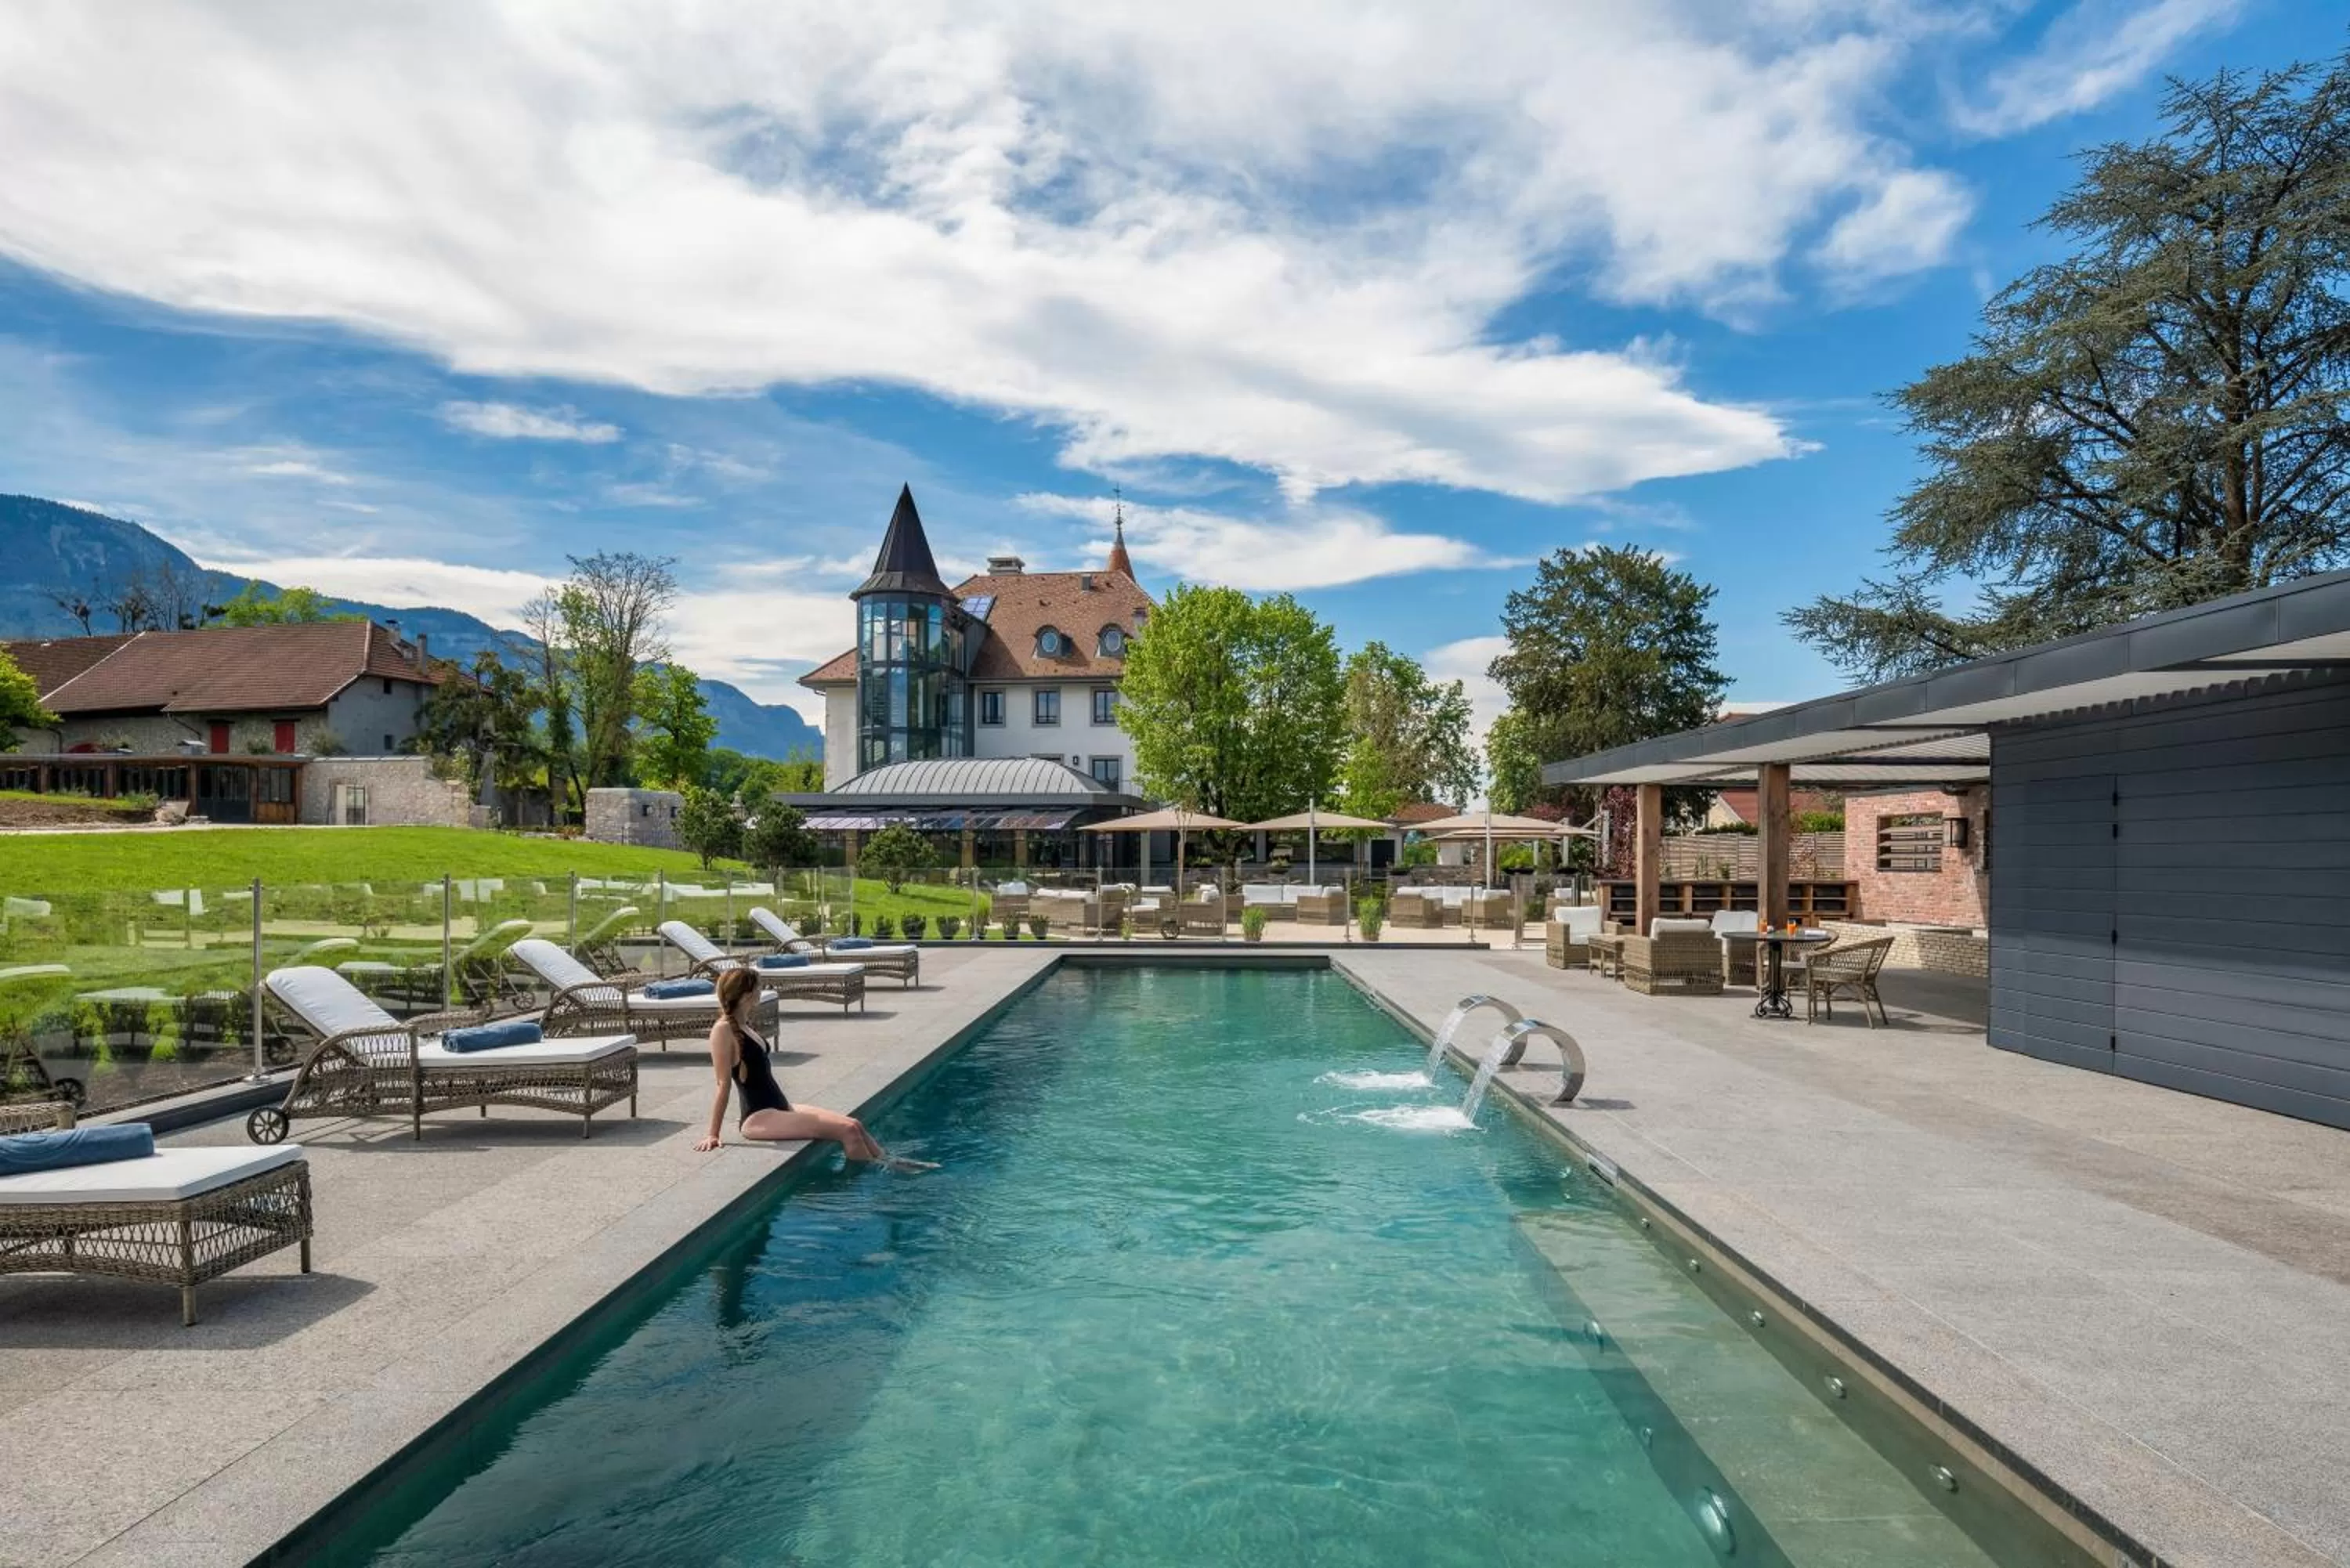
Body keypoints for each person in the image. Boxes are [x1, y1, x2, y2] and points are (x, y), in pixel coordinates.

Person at [693, 966, 899, 1161]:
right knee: (848, 1132)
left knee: (854, 1124)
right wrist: (713, 1134)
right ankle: (871, 1182)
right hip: (759, 1117)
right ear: (747, 995)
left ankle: (891, 1163)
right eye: (759, 987)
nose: (761, 991)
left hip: (780, 1107)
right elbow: (723, 1084)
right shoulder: (723, 1030)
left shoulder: (743, 1025)